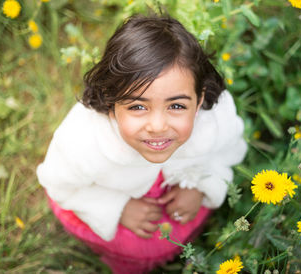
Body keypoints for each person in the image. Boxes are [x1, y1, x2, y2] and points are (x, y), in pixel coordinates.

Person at [37, 14, 247, 274]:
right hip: (108, 199)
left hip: (178, 198)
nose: (158, 126)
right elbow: (60, 183)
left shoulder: (213, 122)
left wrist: (202, 187)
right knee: (129, 250)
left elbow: (228, 153)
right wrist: (116, 207)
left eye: (177, 105)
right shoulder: (86, 139)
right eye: (138, 106)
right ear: (111, 101)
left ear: (199, 98)